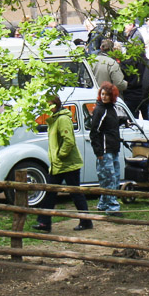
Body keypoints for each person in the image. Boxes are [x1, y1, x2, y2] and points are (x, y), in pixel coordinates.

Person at [35, 94, 93, 232]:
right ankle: (44, 222)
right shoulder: (53, 120)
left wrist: (60, 155)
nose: (47, 108)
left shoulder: (62, 119)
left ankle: (86, 221)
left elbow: (69, 141)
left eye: (49, 105)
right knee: (50, 192)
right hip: (58, 165)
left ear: (55, 105)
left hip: (68, 164)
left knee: (75, 193)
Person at [89, 82, 123, 215]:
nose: (104, 97)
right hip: (105, 151)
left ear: (112, 96)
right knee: (109, 178)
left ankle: (103, 203)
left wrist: (122, 121)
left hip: (113, 149)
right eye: (102, 94)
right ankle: (112, 208)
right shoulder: (99, 110)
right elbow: (94, 132)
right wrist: (98, 152)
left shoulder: (111, 109)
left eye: (107, 95)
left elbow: (110, 126)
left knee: (114, 177)